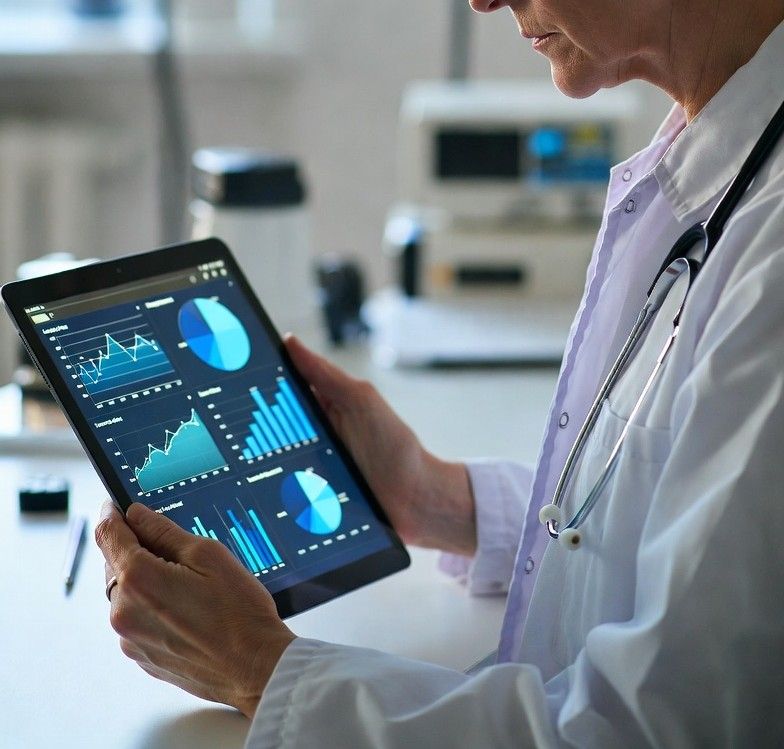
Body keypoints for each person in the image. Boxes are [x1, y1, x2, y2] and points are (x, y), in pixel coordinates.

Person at [95, 0, 784, 746]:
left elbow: (654, 728)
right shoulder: (722, 160)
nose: (482, 0)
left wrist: (259, 668)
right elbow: (677, 529)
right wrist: (440, 500)